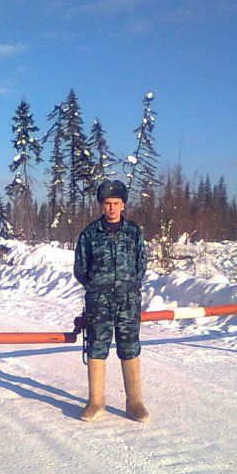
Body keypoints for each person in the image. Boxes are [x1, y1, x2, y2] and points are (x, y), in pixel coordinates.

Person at [73, 179, 148, 423]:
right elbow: (80, 268)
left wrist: (130, 286)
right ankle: (95, 402)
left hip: (128, 301)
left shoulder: (134, 232)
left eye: (116, 203)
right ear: (102, 205)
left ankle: (134, 402)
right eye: (107, 203)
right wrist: (97, 287)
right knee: (97, 348)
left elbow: (141, 264)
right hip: (99, 301)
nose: (112, 208)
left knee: (129, 348)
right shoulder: (89, 234)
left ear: (123, 205)